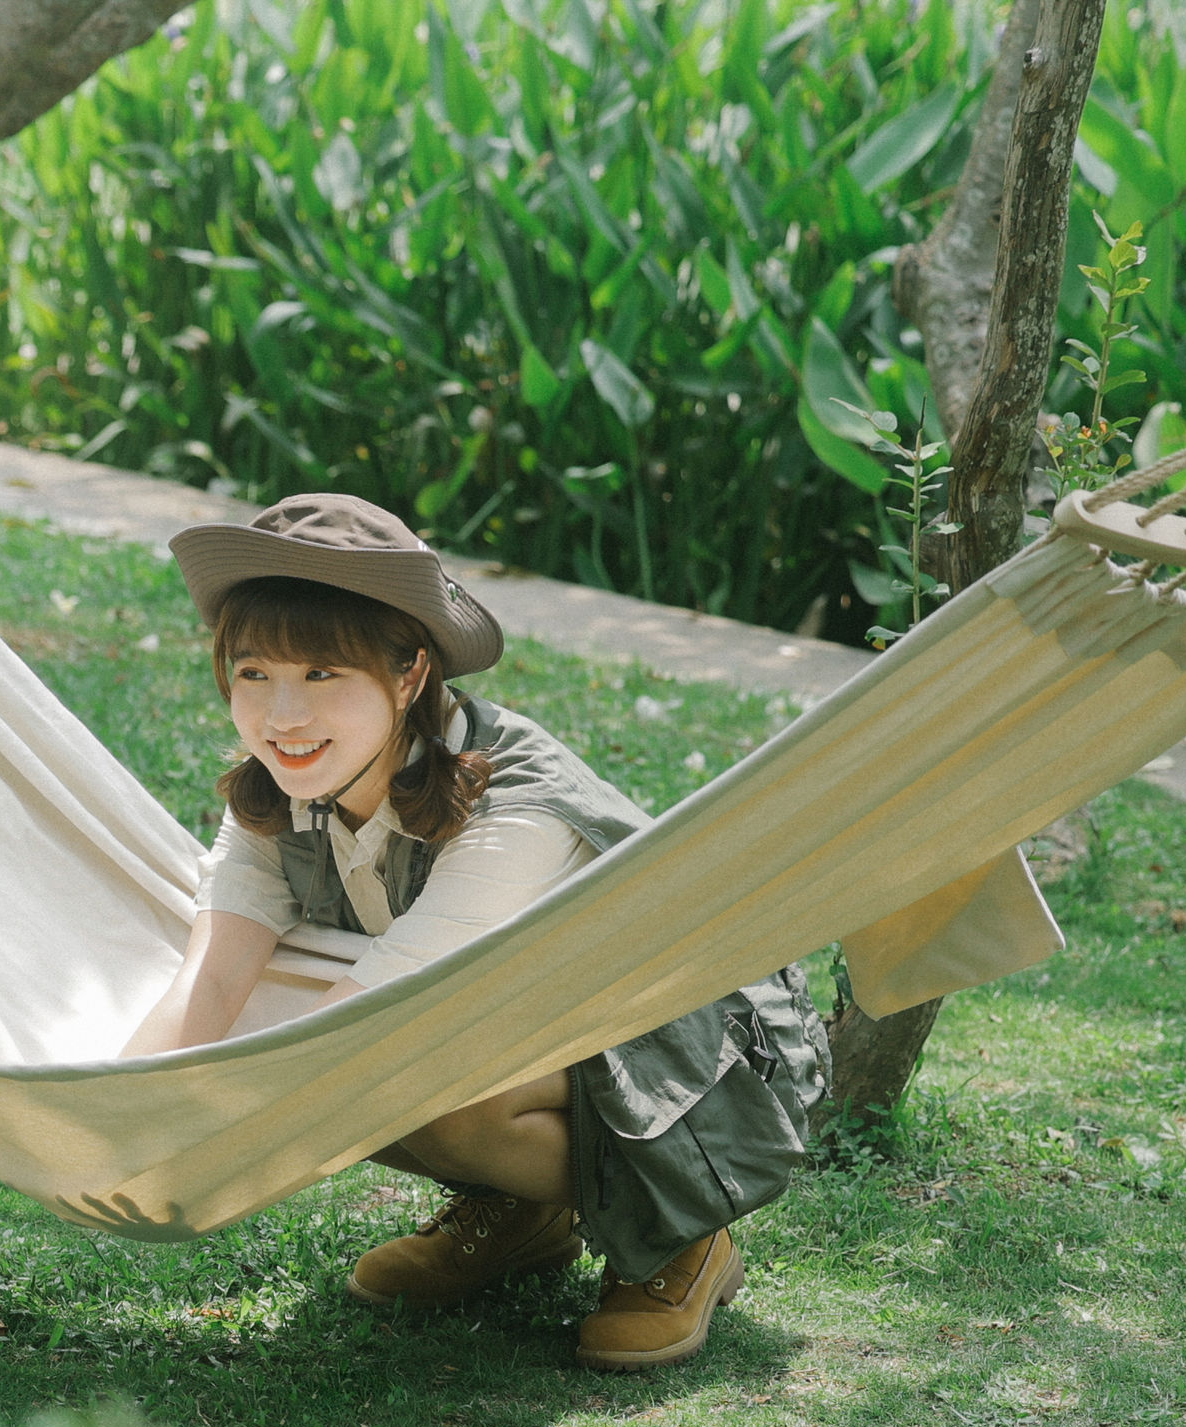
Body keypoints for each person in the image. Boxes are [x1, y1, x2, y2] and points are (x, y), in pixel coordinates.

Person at [122, 492, 827, 1373]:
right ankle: (525, 1215)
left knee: (411, 1083)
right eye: (254, 673)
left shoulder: (519, 808)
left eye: (323, 675)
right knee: (312, 1038)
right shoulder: (281, 794)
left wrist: (212, 1159)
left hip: (682, 1065)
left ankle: (685, 1231)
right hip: (504, 1036)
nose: (281, 717)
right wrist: (114, 1125)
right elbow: (211, 982)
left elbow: (373, 1016)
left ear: (411, 673)